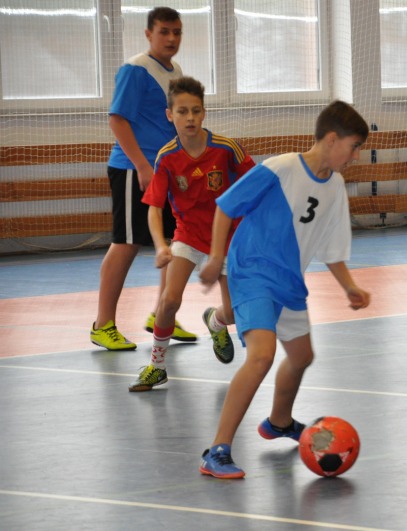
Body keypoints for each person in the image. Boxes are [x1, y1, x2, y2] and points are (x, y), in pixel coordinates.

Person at [197, 100, 371, 479]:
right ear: (331, 139)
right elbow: (227, 206)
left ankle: (278, 422)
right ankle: (217, 450)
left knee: (302, 356)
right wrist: (215, 257)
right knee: (262, 355)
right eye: (354, 146)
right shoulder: (282, 167)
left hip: (288, 279)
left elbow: (331, 248)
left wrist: (349, 287)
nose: (356, 155)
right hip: (252, 269)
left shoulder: (335, 186)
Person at [128, 76, 255, 392]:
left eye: (196, 111)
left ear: (204, 113)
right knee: (169, 300)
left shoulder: (226, 148)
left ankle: (216, 321)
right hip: (187, 236)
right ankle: (157, 366)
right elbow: (154, 208)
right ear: (169, 115)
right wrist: (161, 246)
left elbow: (256, 184)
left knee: (235, 313)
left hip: (227, 237)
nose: (190, 118)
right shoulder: (167, 157)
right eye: (182, 111)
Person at [90, 6, 197, 351]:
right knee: (126, 243)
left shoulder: (176, 72)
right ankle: (103, 324)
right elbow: (117, 119)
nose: (171, 38)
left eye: (177, 32)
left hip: (166, 171)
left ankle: (162, 315)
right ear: (149, 34)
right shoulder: (135, 69)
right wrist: (142, 166)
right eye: (164, 31)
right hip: (133, 170)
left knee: (174, 240)